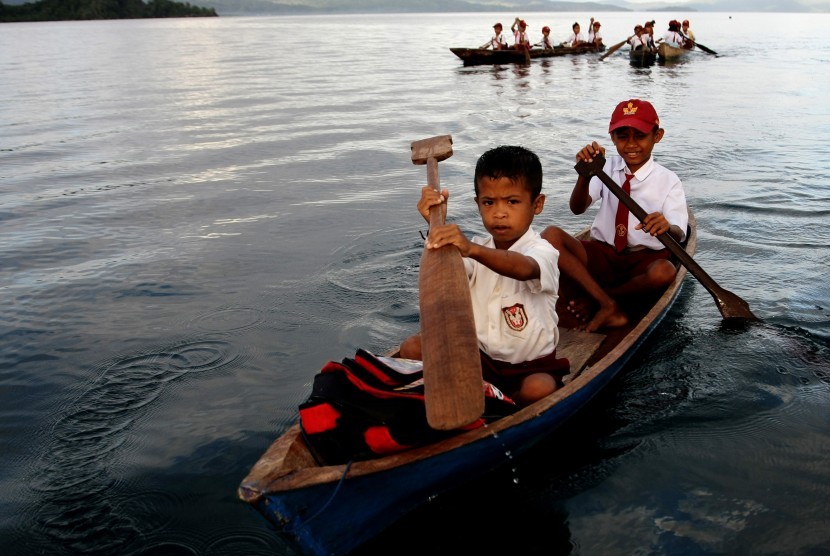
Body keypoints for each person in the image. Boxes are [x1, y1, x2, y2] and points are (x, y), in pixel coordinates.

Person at [399, 146, 567, 406]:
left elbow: (524, 267)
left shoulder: (542, 250)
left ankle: (505, 405)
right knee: (411, 348)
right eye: (489, 202)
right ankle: (479, 393)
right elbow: (444, 271)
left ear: (537, 204)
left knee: (538, 389)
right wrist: (435, 224)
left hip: (529, 368)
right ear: (478, 204)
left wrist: (471, 249)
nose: (499, 213)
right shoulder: (474, 248)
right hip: (477, 359)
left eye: (512, 202)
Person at [541, 99, 689, 333]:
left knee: (665, 271)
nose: (631, 144)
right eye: (622, 136)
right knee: (550, 236)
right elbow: (577, 208)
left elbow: (680, 234)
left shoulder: (669, 181)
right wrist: (585, 173)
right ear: (612, 138)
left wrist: (667, 226)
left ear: (657, 135)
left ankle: (597, 299)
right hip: (605, 254)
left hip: (643, 260)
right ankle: (607, 304)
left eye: (639, 135)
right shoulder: (605, 168)